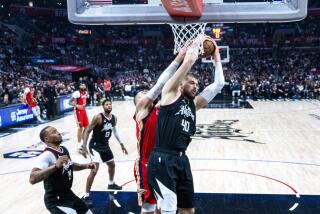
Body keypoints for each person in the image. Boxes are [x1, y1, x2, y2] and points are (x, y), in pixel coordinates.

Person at [147, 38, 225, 214]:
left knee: (188, 210)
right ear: (181, 84)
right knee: (168, 210)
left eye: (197, 84)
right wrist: (198, 38)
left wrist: (217, 57)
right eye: (192, 82)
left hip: (182, 160)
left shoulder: (194, 104)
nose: (195, 86)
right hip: (162, 159)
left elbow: (219, 84)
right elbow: (189, 60)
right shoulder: (169, 94)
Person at [133, 48, 186, 214]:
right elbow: (160, 85)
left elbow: (172, 88)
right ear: (137, 103)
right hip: (146, 163)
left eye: (145, 93)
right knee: (148, 207)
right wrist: (179, 60)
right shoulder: (140, 113)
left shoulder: (162, 109)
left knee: (162, 205)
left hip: (164, 162)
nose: (145, 95)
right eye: (141, 95)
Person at [29, 126, 95, 214]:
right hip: (55, 199)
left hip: (68, 194)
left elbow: (70, 165)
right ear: (47, 139)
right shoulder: (47, 155)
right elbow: (32, 179)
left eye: (57, 130)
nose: (58, 133)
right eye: (54, 132)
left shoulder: (63, 149)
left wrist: (86, 166)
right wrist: (55, 166)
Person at [80, 99, 128, 204]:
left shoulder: (114, 118)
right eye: (106, 104)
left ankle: (111, 183)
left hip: (105, 146)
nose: (109, 106)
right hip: (95, 146)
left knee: (112, 165)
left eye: (110, 104)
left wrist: (121, 144)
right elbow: (87, 130)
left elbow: (115, 131)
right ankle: (86, 195)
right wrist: (83, 147)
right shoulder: (98, 117)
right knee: (94, 170)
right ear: (103, 106)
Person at [69, 82, 89, 152]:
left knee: (87, 127)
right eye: (81, 85)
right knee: (80, 128)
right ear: (79, 86)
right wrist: (77, 105)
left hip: (83, 110)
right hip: (78, 111)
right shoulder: (76, 93)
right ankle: (79, 144)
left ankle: (83, 142)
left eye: (84, 85)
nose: (83, 86)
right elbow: (69, 102)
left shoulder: (86, 92)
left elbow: (85, 101)